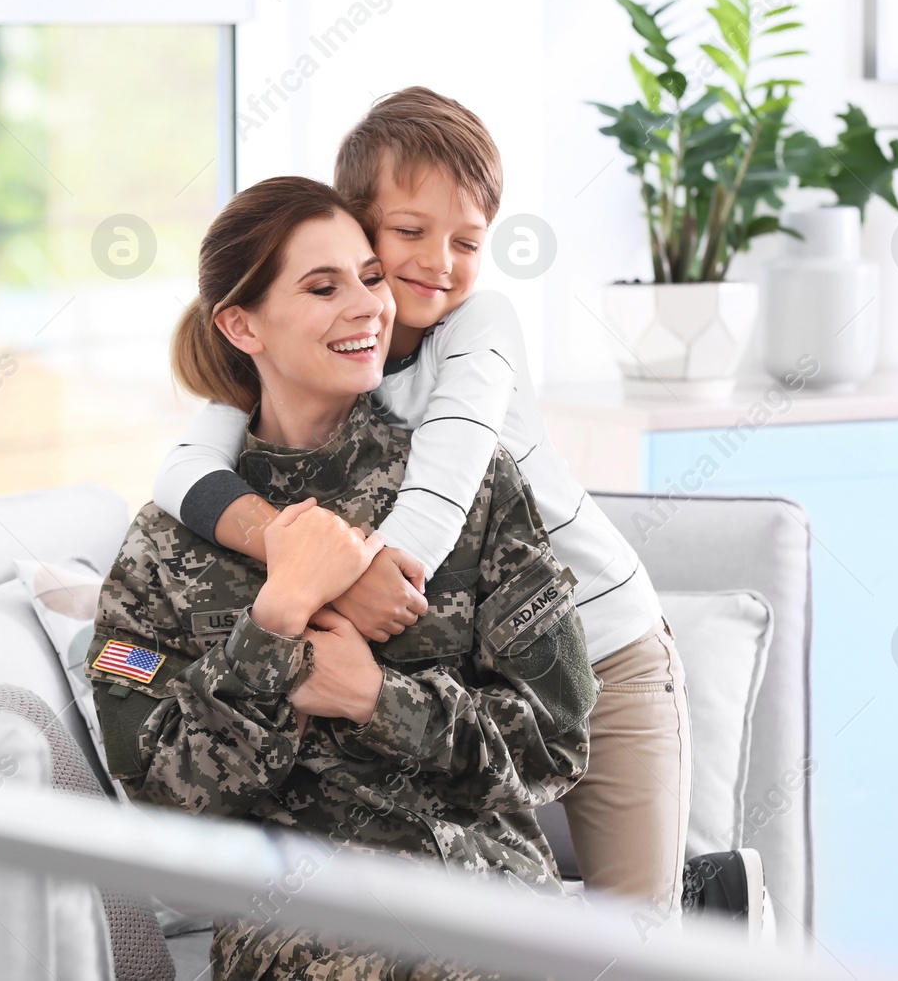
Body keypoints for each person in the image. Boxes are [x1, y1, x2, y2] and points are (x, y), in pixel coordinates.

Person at [151, 88, 693, 913]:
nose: (439, 261)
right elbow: (186, 470)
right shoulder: (317, 346)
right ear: (354, 224)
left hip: (605, 648)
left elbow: (445, 484)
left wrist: (364, 579)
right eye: (408, 232)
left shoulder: (481, 328)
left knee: (637, 938)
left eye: (467, 240)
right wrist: (296, 553)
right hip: (476, 673)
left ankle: (714, 892)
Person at [88, 176, 599, 980]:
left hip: (484, 893)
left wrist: (378, 699)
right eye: (323, 287)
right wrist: (277, 619)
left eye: (370, 278)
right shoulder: (164, 544)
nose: (368, 306)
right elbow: (164, 797)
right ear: (240, 323)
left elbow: (557, 740)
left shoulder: (468, 483)